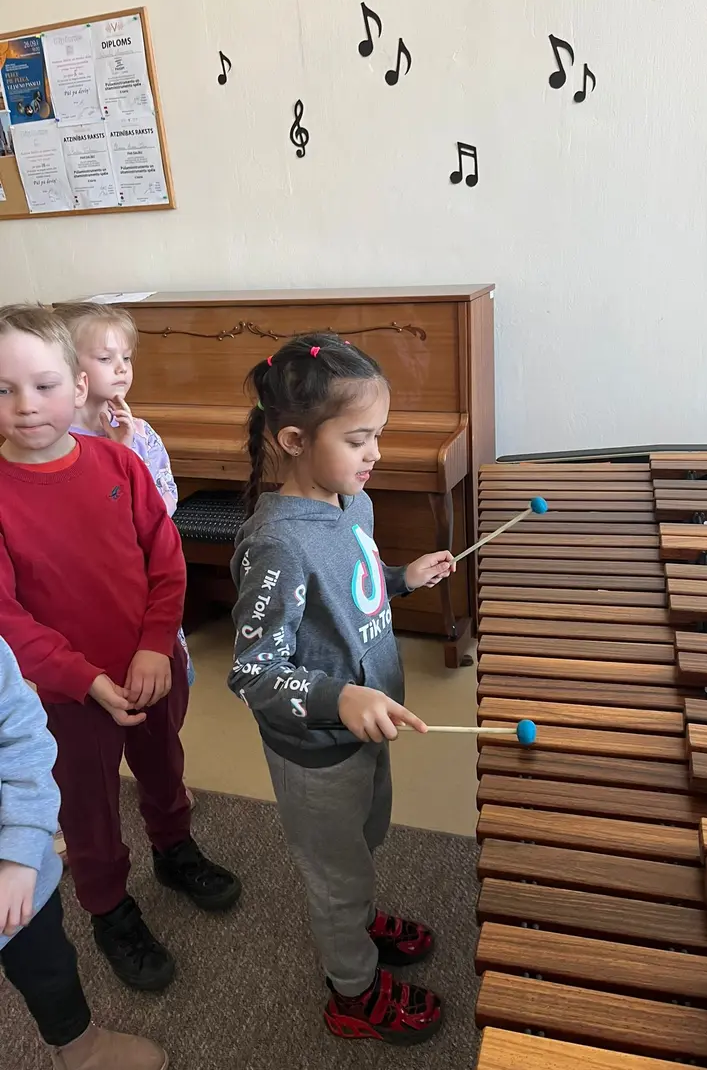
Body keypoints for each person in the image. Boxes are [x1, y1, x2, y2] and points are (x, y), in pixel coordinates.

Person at [0, 305, 241, 994]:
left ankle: (174, 848)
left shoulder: (120, 463)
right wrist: (83, 679)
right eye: (3, 390)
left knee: (164, 766)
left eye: (44, 385)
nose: (25, 405)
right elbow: (7, 618)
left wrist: (156, 646)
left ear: (79, 387)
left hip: (149, 668)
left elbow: (166, 562)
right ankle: (109, 907)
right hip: (64, 697)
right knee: (87, 808)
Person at [228, 332, 454, 1046]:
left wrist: (401, 580)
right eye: (358, 439)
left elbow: (348, 591)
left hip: (363, 724)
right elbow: (254, 671)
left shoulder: (351, 502)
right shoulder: (277, 544)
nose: (374, 453)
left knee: (363, 839)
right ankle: (351, 991)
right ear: (294, 440)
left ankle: (357, 917)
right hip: (316, 749)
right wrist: (339, 698)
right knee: (334, 875)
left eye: (377, 435)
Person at [0, 634, 168, 1070]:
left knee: (48, 966)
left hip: (20, 879)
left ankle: (80, 1046)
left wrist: (19, 850)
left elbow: (23, 737)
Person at [54, 301, 195, 690]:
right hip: (94, 584)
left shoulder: (142, 432)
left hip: (146, 571)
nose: (121, 368)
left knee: (159, 675)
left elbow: (162, 505)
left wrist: (128, 452)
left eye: (127, 358)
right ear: (67, 367)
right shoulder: (56, 443)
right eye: (105, 358)